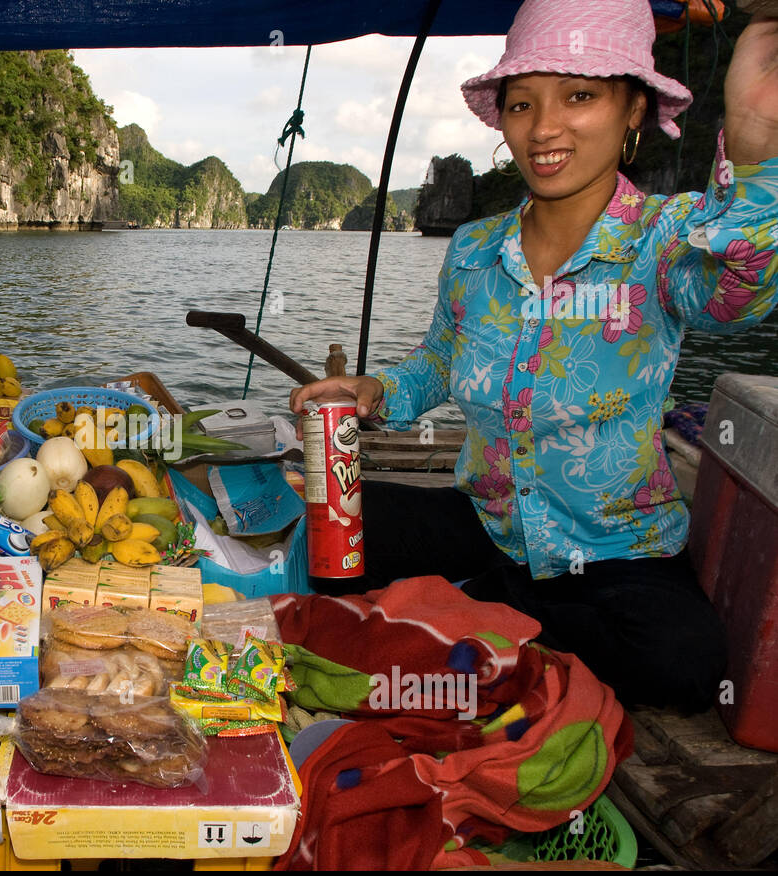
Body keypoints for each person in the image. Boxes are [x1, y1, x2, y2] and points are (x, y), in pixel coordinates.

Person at [290, 0, 778, 712]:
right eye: (523, 104)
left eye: (580, 96)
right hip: (490, 526)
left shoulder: (668, 238)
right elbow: (439, 359)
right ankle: (494, 621)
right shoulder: (475, 249)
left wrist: (760, 146)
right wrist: (376, 391)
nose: (544, 128)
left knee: (685, 663)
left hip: (617, 553)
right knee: (329, 530)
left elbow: (743, 296)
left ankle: (476, 623)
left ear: (634, 108)